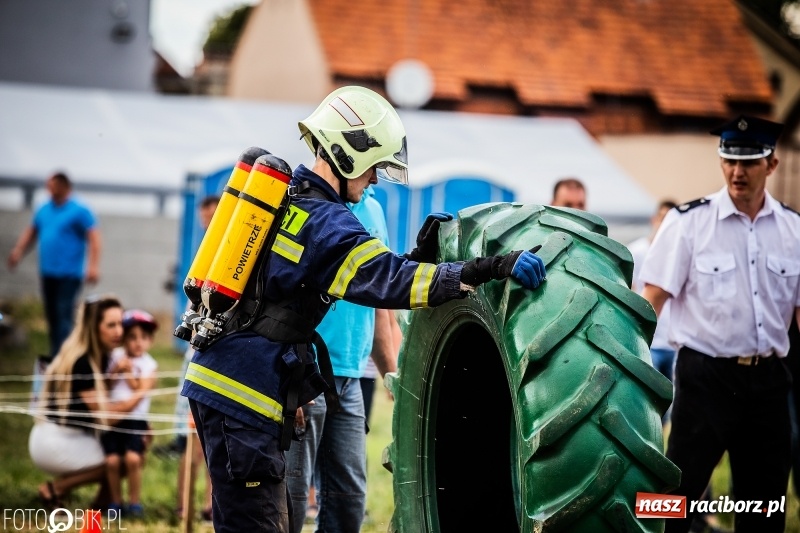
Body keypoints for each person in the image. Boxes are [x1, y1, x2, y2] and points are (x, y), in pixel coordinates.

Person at [181, 85, 547, 533]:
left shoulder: (291, 199)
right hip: (243, 394)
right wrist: (489, 266)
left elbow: (363, 273)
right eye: (374, 165)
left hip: (223, 380)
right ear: (348, 152)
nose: (375, 178)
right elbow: (388, 282)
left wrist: (417, 257)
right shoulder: (328, 223)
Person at [640, 115, 800, 533]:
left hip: (768, 381)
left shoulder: (793, 230)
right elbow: (651, 301)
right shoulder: (688, 222)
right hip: (704, 376)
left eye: (748, 162)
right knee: (677, 497)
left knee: (764, 503)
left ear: (772, 165)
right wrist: (631, 368)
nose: (737, 171)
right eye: (729, 160)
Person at [285, 185, 399, 532]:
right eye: (371, 167)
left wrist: (393, 377)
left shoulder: (375, 210)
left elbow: (379, 303)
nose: (376, 176)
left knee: (349, 504)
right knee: (289, 502)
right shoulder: (303, 203)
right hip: (305, 373)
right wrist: (287, 379)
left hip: (350, 378)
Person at [28, 294, 148, 509]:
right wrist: (140, 395)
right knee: (123, 456)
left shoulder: (102, 357)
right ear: (93, 328)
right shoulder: (82, 361)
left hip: (66, 437)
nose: (119, 331)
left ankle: (103, 504)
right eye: (111, 325)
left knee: (135, 444)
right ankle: (55, 489)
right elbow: (106, 419)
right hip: (53, 442)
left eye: (121, 323)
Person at [7, 172, 101, 357]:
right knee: (51, 315)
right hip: (48, 271)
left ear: (63, 186)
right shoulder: (44, 209)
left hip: (69, 274)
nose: (48, 189)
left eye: (51, 185)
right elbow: (32, 232)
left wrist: (93, 266)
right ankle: (55, 351)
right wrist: (18, 251)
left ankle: (62, 354)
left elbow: (94, 237)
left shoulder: (79, 210)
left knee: (63, 313)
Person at [101, 309, 159, 518]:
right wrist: (117, 370)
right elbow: (104, 385)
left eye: (143, 338)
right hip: (114, 420)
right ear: (123, 338)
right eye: (132, 337)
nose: (138, 343)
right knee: (112, 461)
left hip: (136, 421)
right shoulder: (114, 357)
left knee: (133, 459)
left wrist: (127, 372)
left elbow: (139, 390)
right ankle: (116, 502)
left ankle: (135, 502)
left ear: (150, 341)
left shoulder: (149, 365)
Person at [629, 200, 678, 388]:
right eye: (662, 218)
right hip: (649, 343)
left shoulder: (678, 253)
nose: (665, 224)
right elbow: (629, 291)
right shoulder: (637, 251)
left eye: (670, 220)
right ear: (654, 219)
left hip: (673, 343)